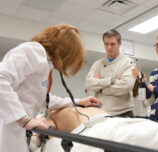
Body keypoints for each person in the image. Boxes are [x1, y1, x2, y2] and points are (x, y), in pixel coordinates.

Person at [0, 24, 102, 152]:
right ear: (65, 50)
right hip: (7, 129)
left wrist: (79, 101)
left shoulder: (45, 63)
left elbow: (45, 99)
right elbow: (1, 79)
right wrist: (24, 120)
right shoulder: (34, 51)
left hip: (17, 131)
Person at [33, 106, 158, 152]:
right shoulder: (51, 116)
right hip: (112, 128)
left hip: (113, 124)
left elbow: (45, 137)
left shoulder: (73, 105)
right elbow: (46, 136)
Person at [85, 29, 135, 117]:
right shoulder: (97, 64)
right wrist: (112, 81)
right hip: (101, 113)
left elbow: (125, 86)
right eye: (106, 44)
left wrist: (100, 88)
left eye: (112, 44)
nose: (109, 47)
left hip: (123, 114)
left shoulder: (128, 63)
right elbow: (88, 83)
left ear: (119, 44)